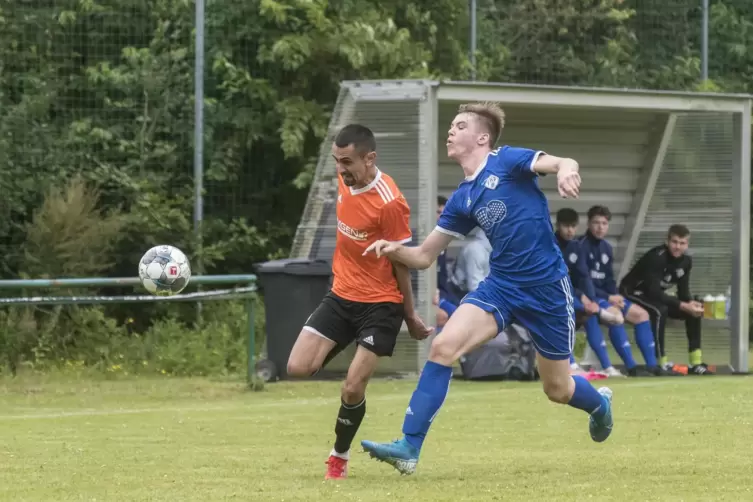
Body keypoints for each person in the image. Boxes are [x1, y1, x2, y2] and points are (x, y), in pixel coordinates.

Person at [359, 102, 614, 476]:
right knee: (444, 346)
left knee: (557, 389)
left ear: (482, 137)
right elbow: (425, 256)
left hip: (546, 288)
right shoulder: (462, 198)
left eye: (459, 125)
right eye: (450, 125)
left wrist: (566, 172)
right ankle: (409, 446)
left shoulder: (507, 161)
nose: (450, 131)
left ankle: (599, 406)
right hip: (502, 287)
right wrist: (394, 249)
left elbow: (564, 162)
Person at [285, 124, 432, 480]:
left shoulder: (390, 202)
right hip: (341, 296)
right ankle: (343, 343)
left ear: (370, 159)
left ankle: (339, 455)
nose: (341, 169)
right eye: (337, 161)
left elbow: (401, 262)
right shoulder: (344, 180)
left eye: (347, 162)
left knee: (352, 387)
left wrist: (409, 315)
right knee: (297, 367)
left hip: (381, 304)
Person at [573, 206, 681, 377]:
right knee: (616, 316)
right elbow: (584, 281)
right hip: (590, 297)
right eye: (596, 223)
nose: (600, 227)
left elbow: (608, 279)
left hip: (606, 296)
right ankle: (631, 367)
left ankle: (652, 366)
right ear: (589, 223)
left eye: (604, 223)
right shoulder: (580, 246)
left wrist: (615, 296)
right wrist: (608, 298)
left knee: (642, 315)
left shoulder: (607, 248)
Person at [619, 224, 712, 375]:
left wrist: (690, 304)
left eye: (682, 243)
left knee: (694, 312)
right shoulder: (657, 257)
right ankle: (660, 362)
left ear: (687, 244)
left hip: (652, 295)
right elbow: (654, 292)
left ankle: (696, 362)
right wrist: (682, 305)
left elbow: (683, 292)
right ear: (667, 241)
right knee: (659, 310)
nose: (678, 247)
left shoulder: (686, 262)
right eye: (674, 242)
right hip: (632, 292)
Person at [554, 208, 627, 376]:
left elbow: (583, 276)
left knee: (589, 313)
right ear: (558, 226)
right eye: (566, 226)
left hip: (570, 293)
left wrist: (591, 299)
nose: (570, 230)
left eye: (573, 226)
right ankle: (570, 364)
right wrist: (584, 298)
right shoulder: (550, 245)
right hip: (551, 292)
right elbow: (555, 280)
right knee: (571, 310)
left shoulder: (575, 246)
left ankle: (608, 367)